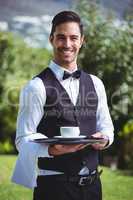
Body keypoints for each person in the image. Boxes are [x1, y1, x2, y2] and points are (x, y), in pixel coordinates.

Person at [12, 11, 114, 200]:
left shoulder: (96, 83)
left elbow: (106, 126)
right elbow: (22, 139)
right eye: (61, 37)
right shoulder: (36, 87)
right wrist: (50, 149)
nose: (67, 44)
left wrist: (105, 139)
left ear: (82, 40)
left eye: (73, 38)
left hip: (93, 188)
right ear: (51, 39)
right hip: (54, 189)